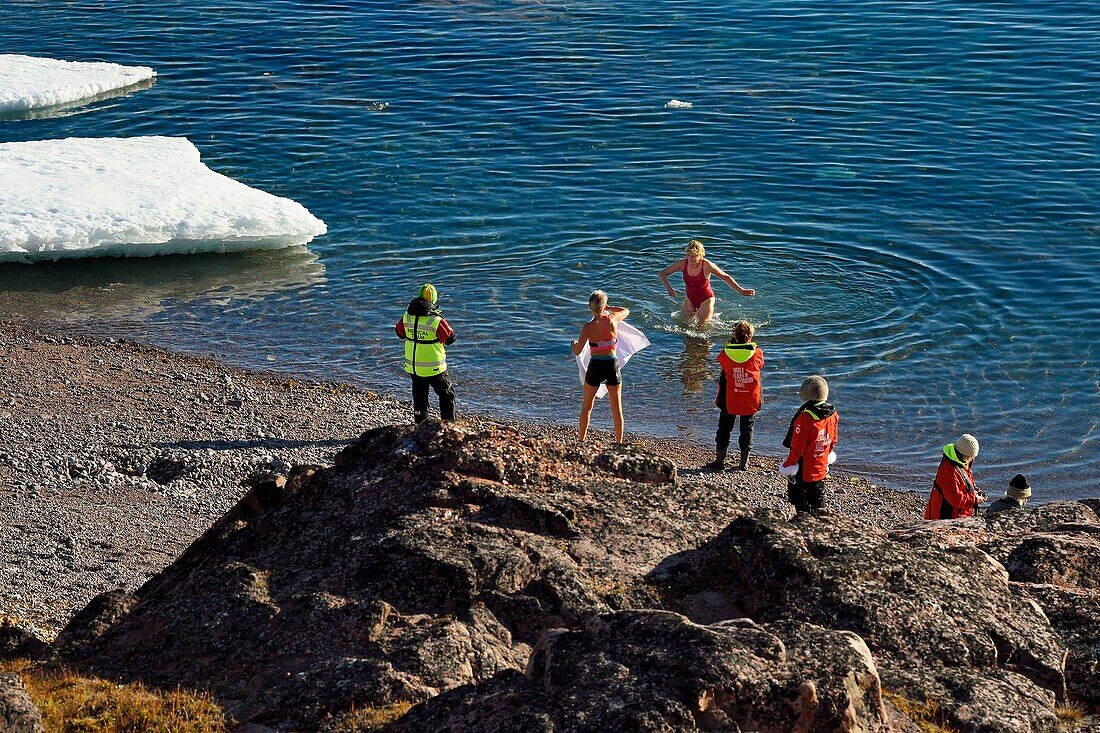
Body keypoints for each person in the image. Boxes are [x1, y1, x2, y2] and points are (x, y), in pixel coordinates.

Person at [571, 290, 630, 443]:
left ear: (590, 308)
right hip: (611, 365)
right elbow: (626, 310)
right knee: (617, 409)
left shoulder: (588, 327)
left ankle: (581, 441)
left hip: (596, 366)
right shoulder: (612, 319)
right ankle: (619, 443)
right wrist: (609, 308)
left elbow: (578, 351)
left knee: (587, 406)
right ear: (604, 306)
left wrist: (573, 345)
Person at [705, 320, 763, 471]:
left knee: (724, 429)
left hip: (730, 398)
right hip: (750, 399)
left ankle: (720, 461)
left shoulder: (726, 353)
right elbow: (760, 363)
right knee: (747, 429)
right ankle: (744, 463)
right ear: (750, 336)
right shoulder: (757, 353)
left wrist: (730, 344)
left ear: (734, 335)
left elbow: (720, 360)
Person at [395, 283, 456, 424]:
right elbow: (450, 338)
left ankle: (420, 425)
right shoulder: (436, 320)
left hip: (414, 367)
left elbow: (399, 333)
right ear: (434, 300)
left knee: (420, 397)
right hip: (435, 367)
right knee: (447, 395)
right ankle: (448, 426)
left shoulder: (406, 316)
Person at [658, 239, 755, 326]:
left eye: (693, 256)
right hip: (690, 300)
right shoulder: (683, 263)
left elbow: (726, 277)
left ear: (700, 255)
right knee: (682, 325)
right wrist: (669, 288)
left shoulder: (707, 265)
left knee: (700, 330)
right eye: (688, 255)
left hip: (706, 300)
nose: (690, 259)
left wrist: (741, 291)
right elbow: (662, 273)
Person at [779, 376, 839, 513]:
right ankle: (820, 521)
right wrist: (827, 454)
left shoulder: (805, 418)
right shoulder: (833, 414)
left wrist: (788, 464)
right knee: (818, 497)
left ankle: (803, 521)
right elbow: (833, 439)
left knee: (799, 498)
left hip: (803, 467)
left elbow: (797, 447)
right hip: (820, 463)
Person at [923, 434, 986, 520]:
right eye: (972, 457)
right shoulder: (950, 470)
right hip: (943, 517)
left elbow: (966, 484)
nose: (973, 460)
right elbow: (956, 499)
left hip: (956, 514)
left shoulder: (960, 462)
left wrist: (977, 491)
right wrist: (974, 498)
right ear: (968, 456)